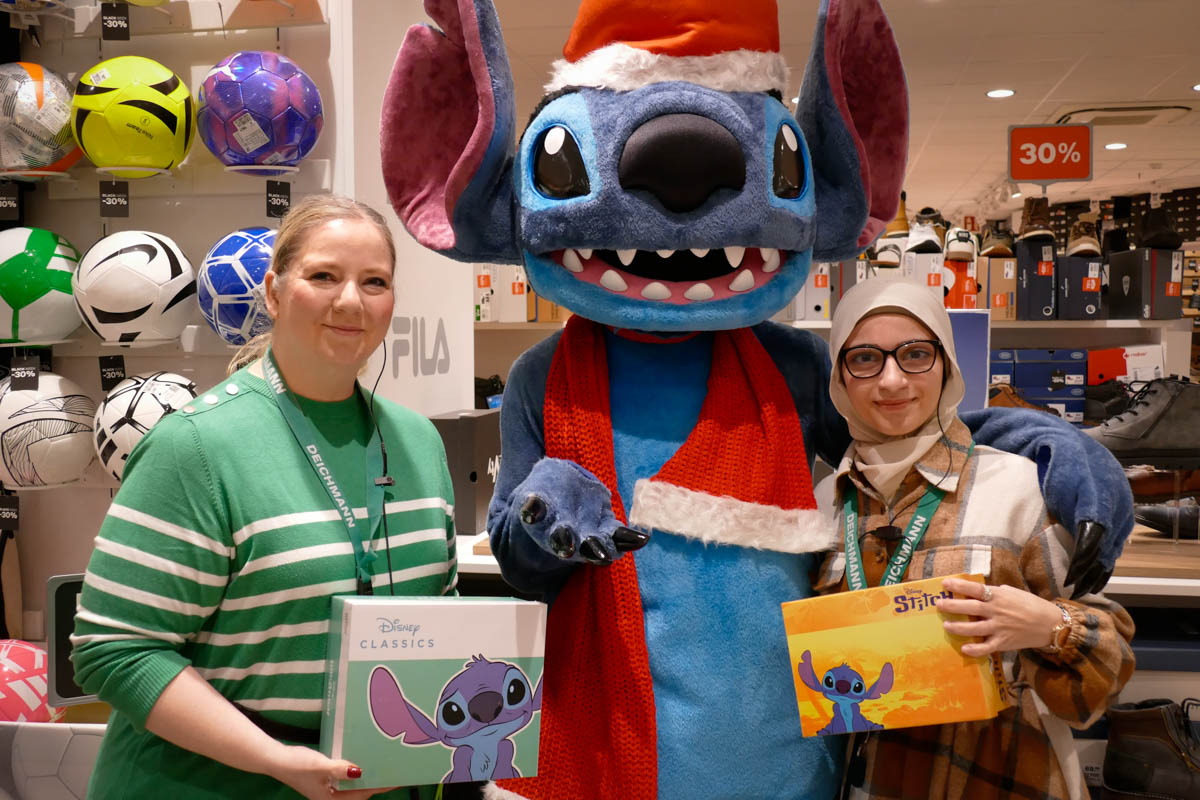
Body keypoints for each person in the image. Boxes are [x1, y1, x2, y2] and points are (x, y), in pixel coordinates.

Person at [72, 195, 457, 800]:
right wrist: (275, 759)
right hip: (208, 785)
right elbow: (114, 649)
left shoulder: (417, 442)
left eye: (374, 282)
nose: (351, 301)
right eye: (323, 276)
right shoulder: (196, 446)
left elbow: (441, 612)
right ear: (274, 293)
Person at [815, 278, 1136, 800]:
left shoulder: (1019, 486)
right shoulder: (823, 503)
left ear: (946, 365)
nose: (892, 380)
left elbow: (1106, 680)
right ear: (839, 378)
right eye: (865, 358)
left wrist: (1051, 627)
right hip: (867, 779)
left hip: (994, 777)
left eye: (915, 354)